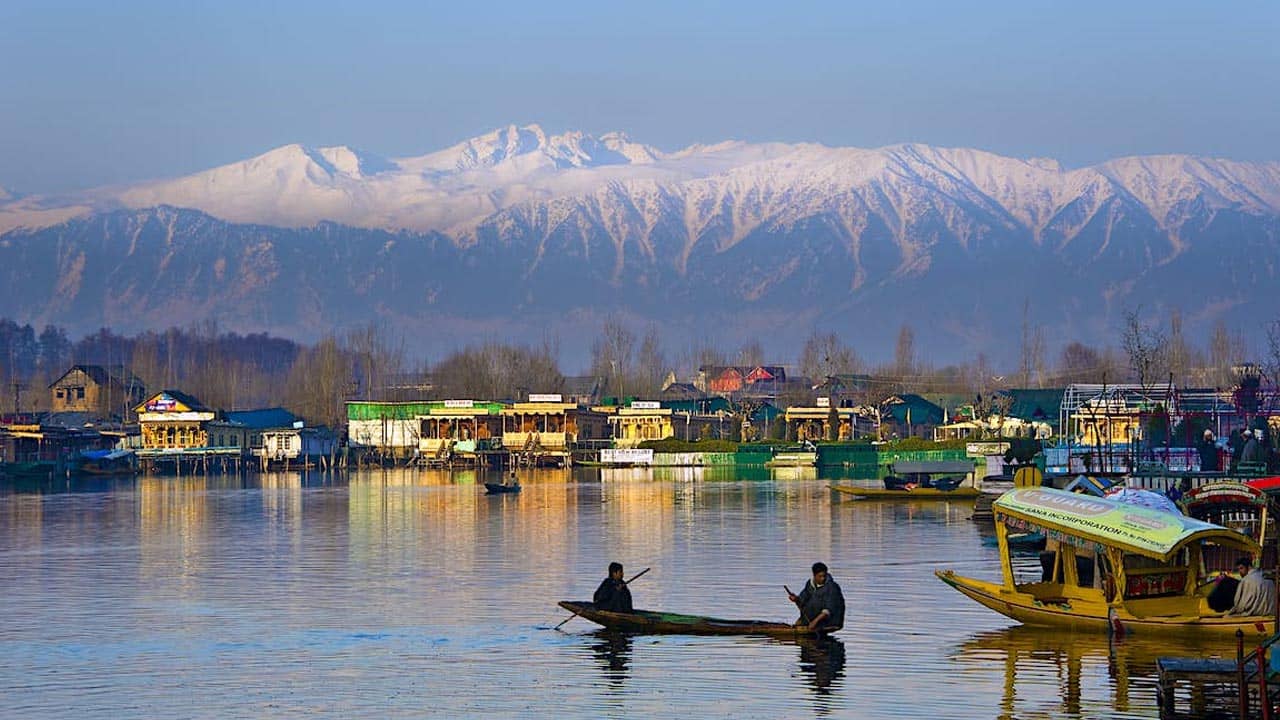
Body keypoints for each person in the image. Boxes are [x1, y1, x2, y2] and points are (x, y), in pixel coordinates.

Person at [788, 562, 845, 632]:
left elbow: (829, 609)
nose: (823, 578)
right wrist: (796, 599)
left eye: (824, 576)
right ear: (814, 575)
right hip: (810, 620)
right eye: (820, 576)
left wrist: (815, 622)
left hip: (829, 622)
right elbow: (802, 599)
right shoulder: (810, 585)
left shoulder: (832, 587)